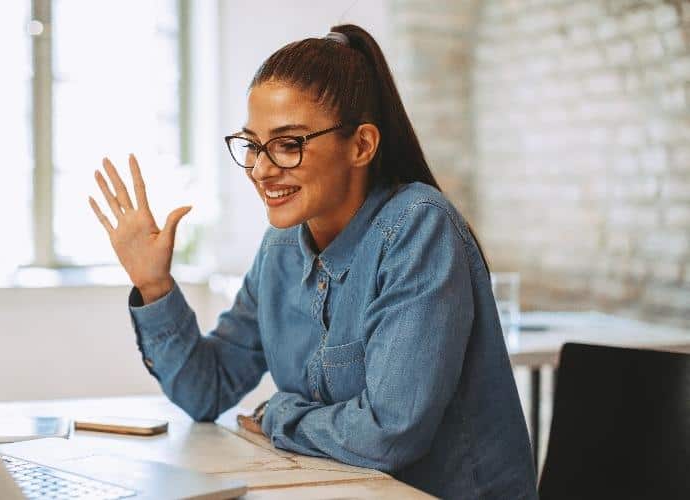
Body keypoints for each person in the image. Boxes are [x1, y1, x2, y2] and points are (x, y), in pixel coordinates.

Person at [87, 24, 537, 499]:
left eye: (288, 144)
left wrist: (280, 414)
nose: (261, 169)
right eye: (253, 144)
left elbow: (390, 432)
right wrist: (154, 286)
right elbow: (208, 390)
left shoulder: (417, 228)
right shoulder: (280, 248)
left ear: (361, 145)